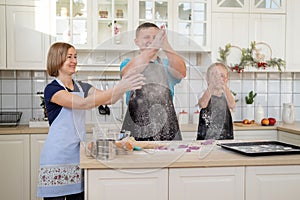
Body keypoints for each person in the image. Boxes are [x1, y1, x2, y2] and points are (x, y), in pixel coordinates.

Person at [37, 42, 145, 200]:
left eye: (75, 56)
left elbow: (110, 100)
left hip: (78, 155)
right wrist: (119, 87)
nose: (74, 60)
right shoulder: (52, 89)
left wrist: (123, 87)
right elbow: (82, 104)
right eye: (69, 57)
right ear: (57, 60)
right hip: (57, 156)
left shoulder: (83, 87)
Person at [120, 22, 186, 141]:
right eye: (146, 37)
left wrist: (166, 44)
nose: (151, 40)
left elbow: (181, 72)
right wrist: (153, 47)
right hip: (136, 129)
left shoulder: (167, 65)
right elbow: (128, 74)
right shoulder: (128, 63)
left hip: (167, 128)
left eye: (155, 37)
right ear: (136, 42)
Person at [197, 62, 236, 140]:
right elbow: (203, 104)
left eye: (221, 75)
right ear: (207, 79)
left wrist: (225, 87)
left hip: (225, 137)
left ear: (226, 80)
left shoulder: (227, 94)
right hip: (205, 138)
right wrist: (211, 86)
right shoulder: (204, 93)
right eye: (214, 75)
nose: (217, 79)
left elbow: (232, 105)